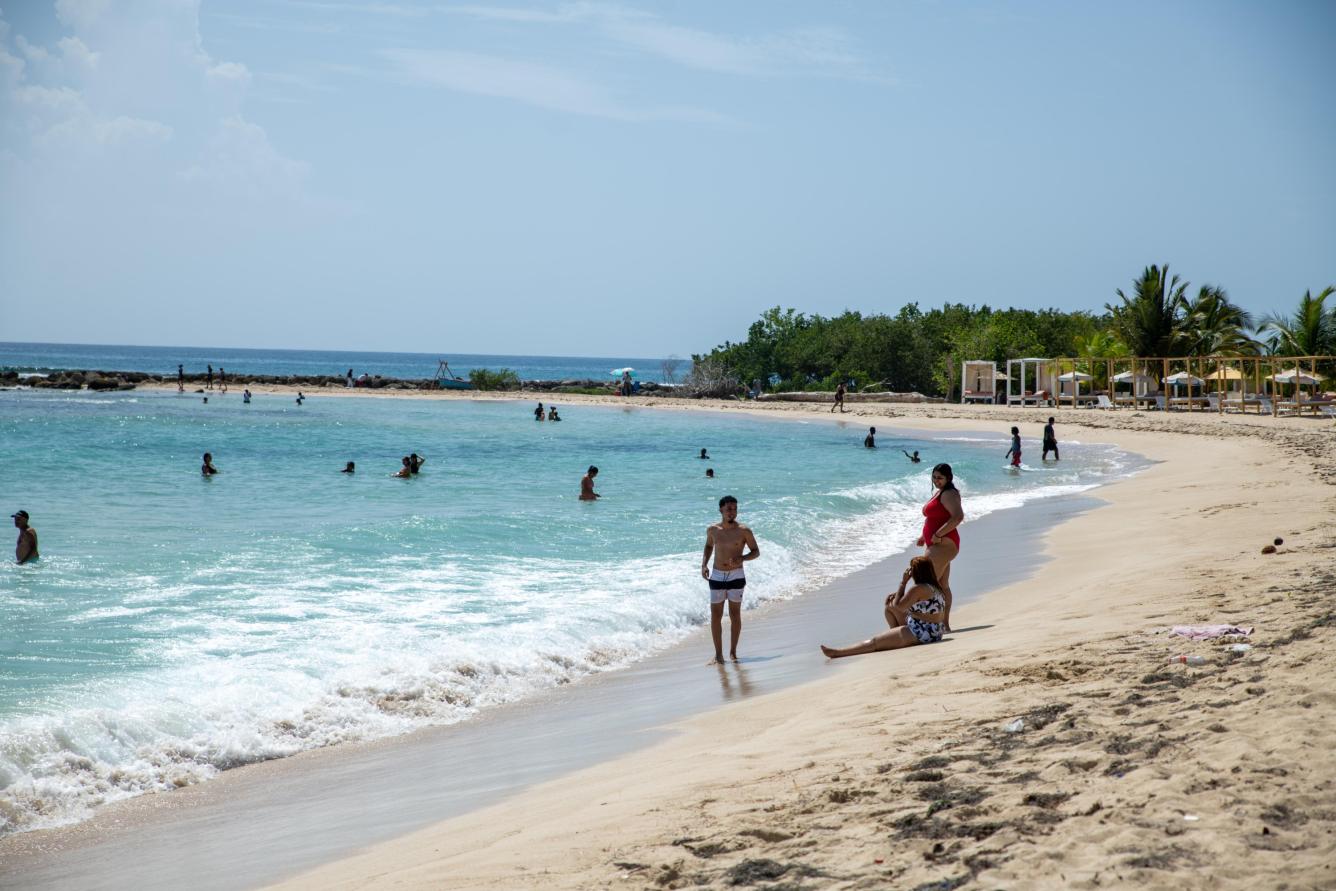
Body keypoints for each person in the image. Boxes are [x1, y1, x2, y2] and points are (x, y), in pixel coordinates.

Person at [819, 556, 946, 658]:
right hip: (935, 631)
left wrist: (903, 583)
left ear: (916, 572)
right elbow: (920, 608)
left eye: (911, 570)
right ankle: (892, 638)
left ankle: (838, 652)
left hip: (922, 633)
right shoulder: (935, 587)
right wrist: (899, 596)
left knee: (874, 642)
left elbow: (899, 606)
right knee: (888, 608)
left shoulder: (918, 588)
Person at [701, 495, 760, 664]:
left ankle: (733, 652)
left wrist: (743, 558)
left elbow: (756, 551)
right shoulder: (712, 530)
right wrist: (704, 565)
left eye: (734, 509)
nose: (731, 512)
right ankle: (718, 655)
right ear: (720, 509)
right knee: (716, 615)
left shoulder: (744, 531)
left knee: (735, 614)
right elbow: (708, 546)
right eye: (728, 509)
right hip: (717, 575)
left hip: (736, 575)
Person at [919, 463, 963, 630]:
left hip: (944, 544)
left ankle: (929, 623)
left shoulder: (949, 494)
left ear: (949, 478)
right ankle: (943, 624)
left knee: (926, 583)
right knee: (942, 585)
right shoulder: (941, 493)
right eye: (934, 477)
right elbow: (938, 517)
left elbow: (958, 517)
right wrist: (924, 536)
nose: (936, 480)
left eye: (940, 478)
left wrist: (937, 535)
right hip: (940, 544)